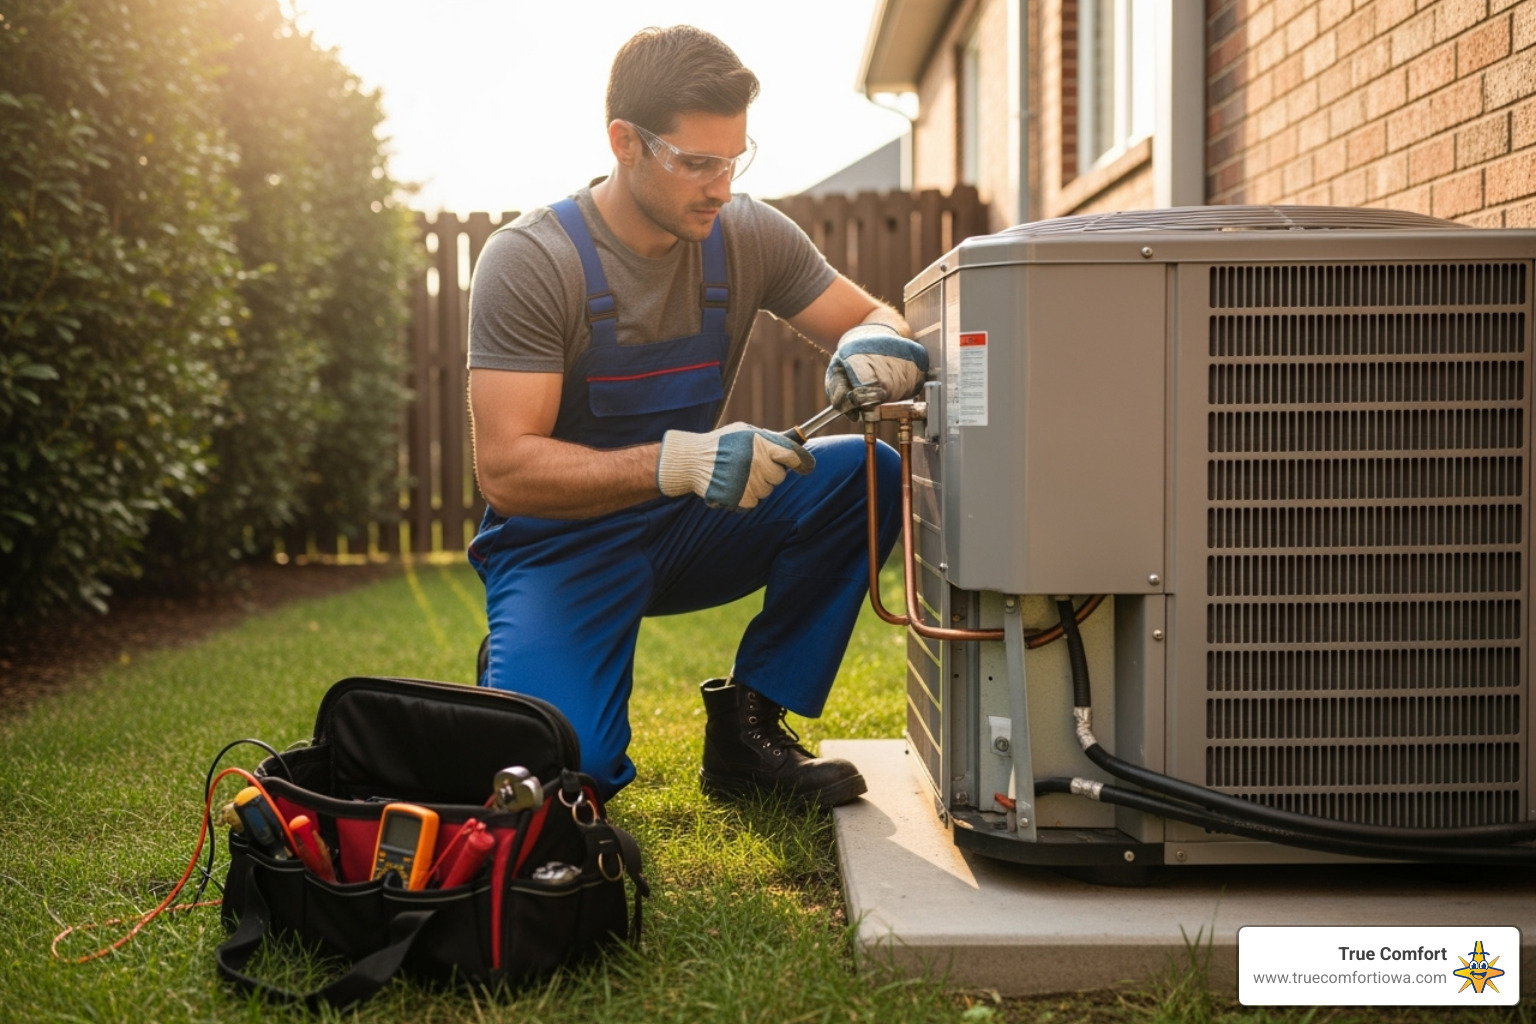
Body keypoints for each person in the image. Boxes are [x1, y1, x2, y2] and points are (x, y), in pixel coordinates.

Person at [466, 25, 928, 808]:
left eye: (734, 159)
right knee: (568, 777)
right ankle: (526, 667)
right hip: (560, 548)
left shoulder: (746, 234)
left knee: (867, 473)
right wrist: (678, 462)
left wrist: (876, 342)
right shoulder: (533, 260)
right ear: (626, 143)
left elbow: (874, 314)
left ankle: (748, 731)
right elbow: (507, 471)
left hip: (687, 529)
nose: (720, 186)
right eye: (696, 163)